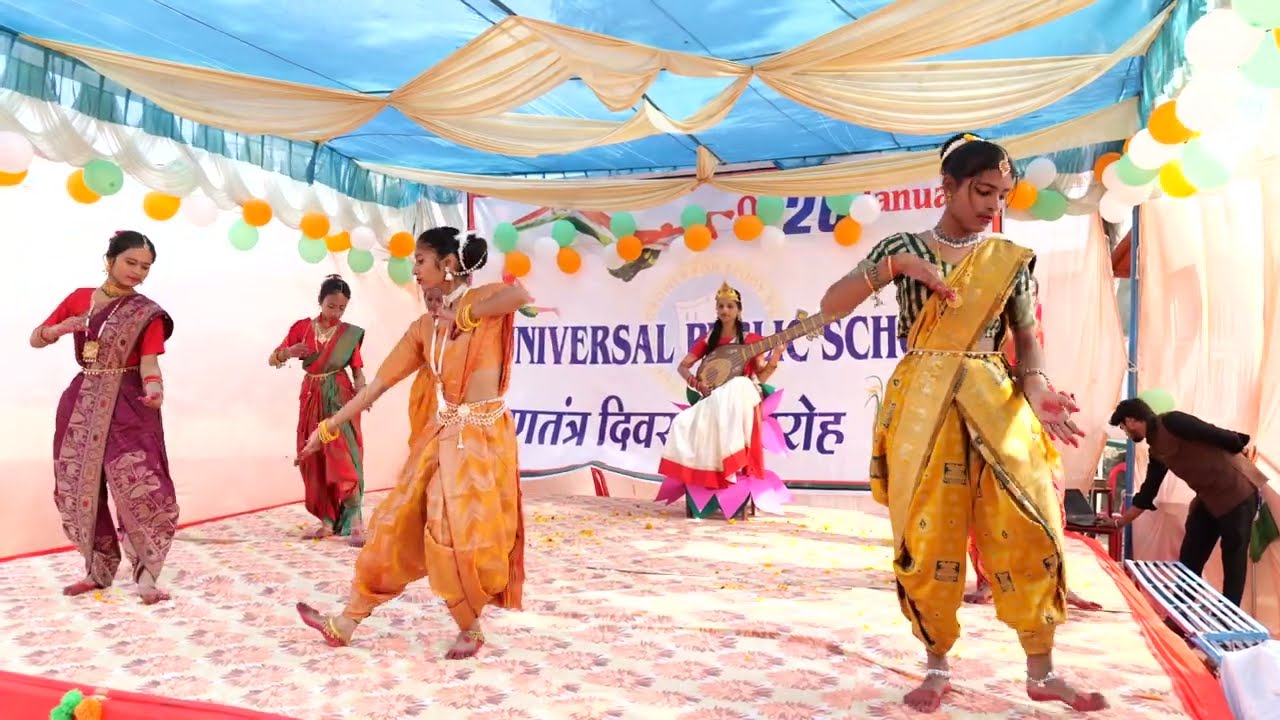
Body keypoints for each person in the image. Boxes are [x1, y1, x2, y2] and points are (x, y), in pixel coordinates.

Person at [818, 134, 1105, 712]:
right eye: (981, 191)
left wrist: (1040, 388)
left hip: (997, 397)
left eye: (1001, 194)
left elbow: (1028, 344)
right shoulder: (901, 247)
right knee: (928, 538)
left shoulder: (1010, 259)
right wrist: (898, 267)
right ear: (946, 186)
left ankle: (1042, 671)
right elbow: (831, 304)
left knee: (1031, 525)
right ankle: (935, 665)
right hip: (924, 405)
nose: (992, 205)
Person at [295, 227, 528, 660]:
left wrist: (465, 318)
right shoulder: (423, 329)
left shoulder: (483, 303)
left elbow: (520, 296)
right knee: (396, 521)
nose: (413, 269)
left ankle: (469, 627)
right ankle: (347, 621)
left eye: (420, 260)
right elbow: (377, 385)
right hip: (444, 435)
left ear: (449, 264)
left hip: (483, 438)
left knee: (448, 530)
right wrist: (328, 427)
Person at [30, 230, 178, 605]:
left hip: (131, 404)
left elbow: (149, 361)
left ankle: (146, 575)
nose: (137, 272)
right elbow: (36, 338)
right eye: (131, 262)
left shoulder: (146, 313)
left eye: (145, 267)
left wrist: (155, 389)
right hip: (81, 400)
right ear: (109, 259)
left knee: (142, 487)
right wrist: (59, 329)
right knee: (80, 485)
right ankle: (97, 570)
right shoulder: (80, 298)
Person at [1106, 398, 1263, 606]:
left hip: (1238, 493)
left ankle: (1228, 618)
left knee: (1233, 560)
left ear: (1132, 420)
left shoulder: (1173, 421)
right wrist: (1118, 522)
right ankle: (1181, 612)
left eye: (1123, 426)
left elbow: (1212, 433)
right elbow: (1147, 492)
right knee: (1190, 557)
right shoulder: (1156, 451)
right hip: (1208, 498)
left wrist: (1239, 443)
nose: (1125, 432)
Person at [657, 282, 783, 519]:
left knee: (737, 384)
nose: (725, 310)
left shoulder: (751, 339)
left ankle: (731, 465)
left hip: (743, 394)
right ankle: (706, 472)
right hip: (716, 398)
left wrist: (775, 356)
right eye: (721, 306)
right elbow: (683, 366)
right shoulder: (709, 340)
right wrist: (697, 384)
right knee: (683, 422)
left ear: (738, 310)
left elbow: (761, 375)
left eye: (729, 306)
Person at [269, 274, 368, 546]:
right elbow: (273, 357)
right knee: (314, 459)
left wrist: (363, 391)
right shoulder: (302, 327)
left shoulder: (349, 334)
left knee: (343, 457)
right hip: (311, 396)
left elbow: (358, 371)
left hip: (339, 397)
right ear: (320, 302)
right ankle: (326, 520)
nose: (336, 313)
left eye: (341, 308)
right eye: (331, 306)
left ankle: (356, 519)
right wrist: (289, 352)